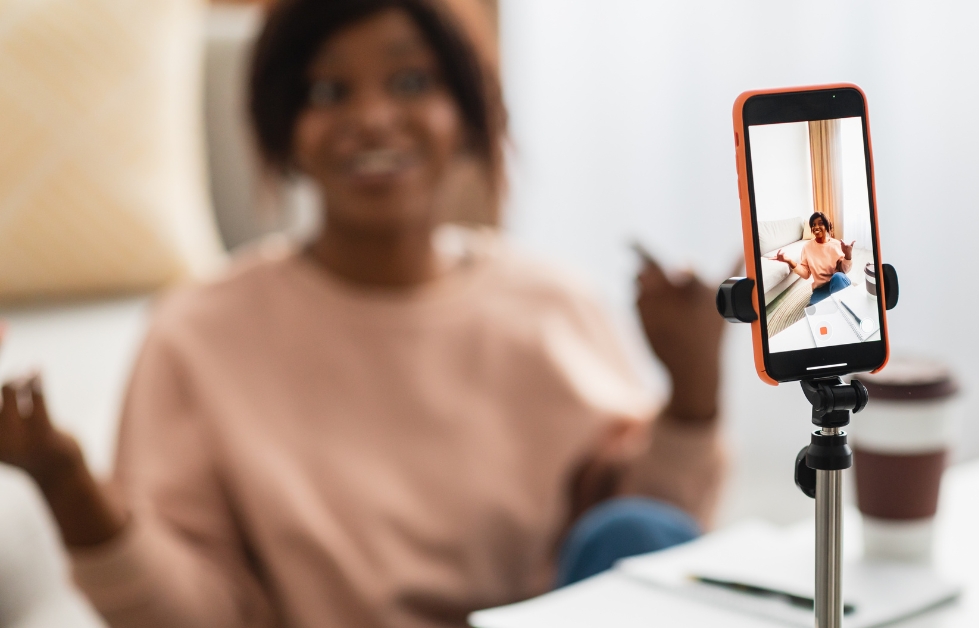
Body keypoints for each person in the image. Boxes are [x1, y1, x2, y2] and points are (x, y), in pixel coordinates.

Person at [0, 1, 725, 626]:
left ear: (468, 117)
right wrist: (72, 492)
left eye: (411, 82)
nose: (373, 119)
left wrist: (693, 394)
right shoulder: (196, 334)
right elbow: (203, 613)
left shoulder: (554, 303)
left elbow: (653, 550)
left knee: (639, 527)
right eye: (327, 91)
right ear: (283, 129)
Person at [773, 211, 855, 306]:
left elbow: (844, 270)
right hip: (821, 288)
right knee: (811, 309)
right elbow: (806, 274)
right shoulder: (807, 247)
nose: (816, 227)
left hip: (837, 281)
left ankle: (841, 300)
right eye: (813, 224)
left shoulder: (836, 244)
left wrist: (848, 255)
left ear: (827, 226)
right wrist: (789, 261)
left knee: (838, 278)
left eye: (820, 223)